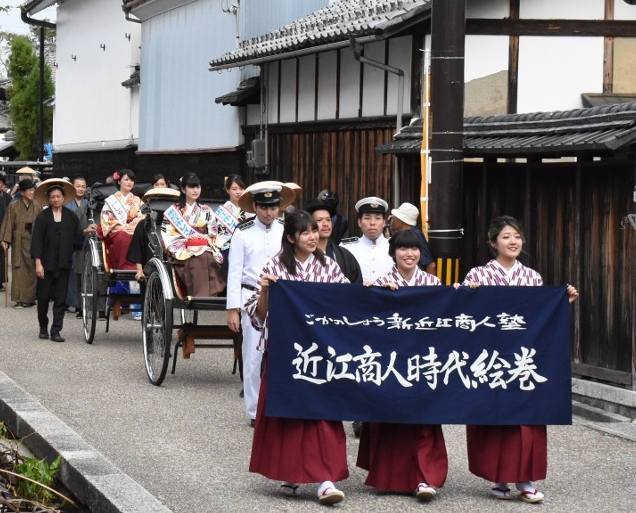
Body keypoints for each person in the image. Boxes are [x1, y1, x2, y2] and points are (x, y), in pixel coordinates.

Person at [459, 215, 579, 504]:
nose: (513, 242)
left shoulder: (532, 277)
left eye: (517, 237)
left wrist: (562, 302)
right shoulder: (478, 275)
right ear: (493, 242)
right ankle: (499, 476)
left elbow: (541, 317)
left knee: (527, 418)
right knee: (495, 417)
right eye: (505, 237)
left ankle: (525, 479)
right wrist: (465, 294)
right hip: (490, 358)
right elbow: (462, 316)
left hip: (524, 357)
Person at [246, 210, 351, 506]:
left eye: (314, 231)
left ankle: (325, 479)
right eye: (305, 232)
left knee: (322, 416)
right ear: (291, 237)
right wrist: (267, 290)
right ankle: (291, 471)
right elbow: (258, 315)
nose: (312, 236)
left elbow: (347, 300)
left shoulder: (328, 266)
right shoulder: (274, 266)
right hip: (285, 352)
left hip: (320, 351)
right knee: (288, 415)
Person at [357, 228, 446, 501]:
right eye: (403, 249)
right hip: (391, 362)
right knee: (391, 418)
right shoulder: (382, 282)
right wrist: (371, 294)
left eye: (415, 249)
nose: (410, 254)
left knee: (422, 420)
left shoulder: (433, 283)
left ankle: (424, 478)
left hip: (422, 360)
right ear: (393, 252)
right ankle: (388, 477)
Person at [227, 181, 291, 426]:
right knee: (253, 356)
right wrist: (232, 309)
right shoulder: (242, 232)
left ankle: (281, 405)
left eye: (273, 207)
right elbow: (234, 272)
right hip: (250, 297)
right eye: (263, 207)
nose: (268, 212)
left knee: (282, 353)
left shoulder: (285, 230)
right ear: (254, 206)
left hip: (282, 296)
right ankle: (254, 411)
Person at [30, 180, 82, 342]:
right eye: (52, 197)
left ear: (64, 197)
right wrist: (38, 263)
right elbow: (36, 241)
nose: (56, 199)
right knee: (44, 298)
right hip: (45, 264)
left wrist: (85, 233)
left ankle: (56, 330)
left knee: (60, 299)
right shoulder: (42, 217)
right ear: (48, 198)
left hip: (64, 264)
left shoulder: (71, 217)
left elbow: (77, 240)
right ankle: (43, 326)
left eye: (58, 196)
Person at [161, 173, 225, 298]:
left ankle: (208, 294)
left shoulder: (206, 210)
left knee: (206, 255)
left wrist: (202, 240)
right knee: (199, 257)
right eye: (191, 187)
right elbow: (168, 234)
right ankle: (201, 294)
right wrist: (188, 242)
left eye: (198, 187)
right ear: (184, 189)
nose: (196, 190)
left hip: (203, 244)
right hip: (182, 246)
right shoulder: (173, 211)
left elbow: (214, 233)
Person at [1, 178, 41, 308]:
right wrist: (5, 240)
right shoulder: (14, 206)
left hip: (34, 241)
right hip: (18, 241)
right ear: (22, 192)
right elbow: (8, 223)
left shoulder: (38, 205)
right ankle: (19, 299)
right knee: (18, 270)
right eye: (29, 190)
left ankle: (29, 298)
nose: (31, 192)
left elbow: (43, 225)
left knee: (32, 270)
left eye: (33, 190)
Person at [302, 199, 363, 284]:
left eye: (328, 219)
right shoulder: (301, 255)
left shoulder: (345, 255)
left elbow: (356, 285)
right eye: (319, 220)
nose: (325, 224)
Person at [98, 169, 144, 273]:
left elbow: (143, 216)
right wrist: (121, 227)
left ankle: (139, 268)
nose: (129, 182)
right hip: (118, 230)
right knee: (122, 237)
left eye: (131, 180)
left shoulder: (137, 200)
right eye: (126, 179)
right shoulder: (111, 200)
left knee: (141, 238)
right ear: (119, 182)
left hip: (133, 230)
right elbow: (106, 217)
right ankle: (122, 267)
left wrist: (133, 227)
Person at [340, 197, 393, 283]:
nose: (372, 223)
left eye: (378, 218)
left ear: (384, 223)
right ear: (359, 222)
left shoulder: (394, 247)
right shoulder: (346, 248)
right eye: (367, 218)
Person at [64, 176, 89, 314]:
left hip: (85, 243)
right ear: (73, 187)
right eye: (78, 186)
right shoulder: (66, 203)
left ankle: (81, 303)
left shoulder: (88, 203)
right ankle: (68, 301)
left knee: (83, 272)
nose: (80, 189)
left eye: (83, 186)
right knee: (70, 273)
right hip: (70, 242)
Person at [211, 173, 249, 265]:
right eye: (234, 189)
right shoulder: (222, 211)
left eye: (241, 188)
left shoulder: (250, 209)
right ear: (228, 190)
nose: (238, 192)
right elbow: (217, 233)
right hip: (228, 248)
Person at [389, 202, 436, 274]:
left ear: (401, 221)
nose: (392, 221)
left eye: (395, 218)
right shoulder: (404, 234)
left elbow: (430, 264)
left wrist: (429, 284)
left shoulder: (416, 235)